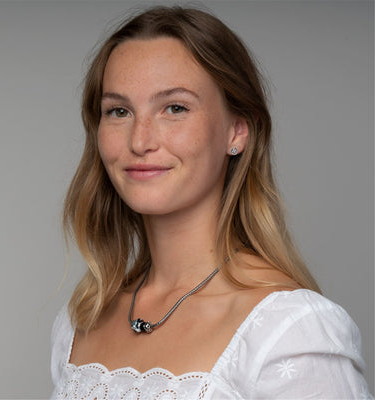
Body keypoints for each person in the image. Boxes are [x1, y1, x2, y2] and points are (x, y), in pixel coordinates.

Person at [50, 6, 373, 399]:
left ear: (237, 131)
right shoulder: (80, 320)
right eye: (119, 111)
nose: (139, 140)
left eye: (175, 108)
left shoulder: (291, 332)